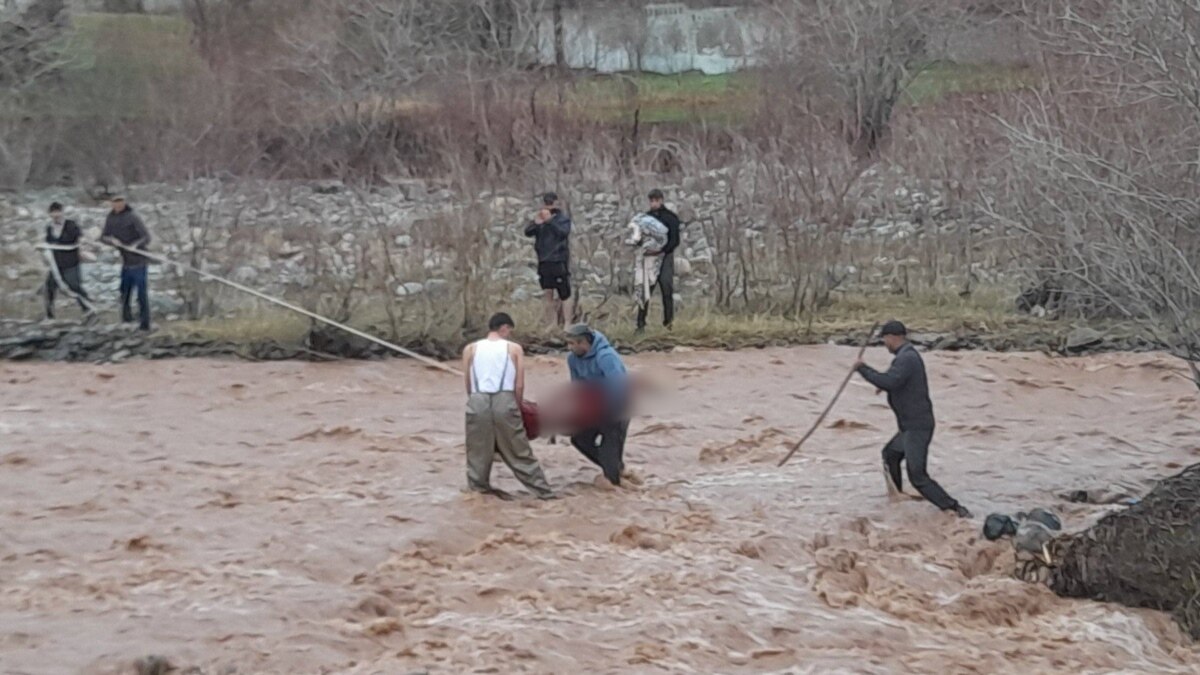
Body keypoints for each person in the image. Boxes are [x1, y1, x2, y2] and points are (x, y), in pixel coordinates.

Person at [853, 320, 972, 518]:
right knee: (890, 454)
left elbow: (890, 381)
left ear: (893, 337)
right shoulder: (905, 357)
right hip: (908, 426)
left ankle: (954, 509)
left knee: (917, 476)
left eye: (885, 340)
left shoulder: (907, 358)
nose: (885, 344)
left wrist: (862, 368)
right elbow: (896, 380)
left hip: (917, 427)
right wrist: (884, 384)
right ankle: (897, 497)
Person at [462, 312, 555, 500]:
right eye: (509, 330)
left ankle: (479, 491)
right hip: (505, 400)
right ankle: (543, 492)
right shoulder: (514, 349)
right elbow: (519, 384)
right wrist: (518, 404)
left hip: (477, 399)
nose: (509, 334)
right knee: (518, 450)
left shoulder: (470, 348)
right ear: (504, 328)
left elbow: (467, 382)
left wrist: (475, 400)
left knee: (478, 450)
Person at [564, 323, 630, 486]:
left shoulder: (606, 356)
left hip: (616, 407)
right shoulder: (572, 359)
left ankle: (615, 484)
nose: (569, 347)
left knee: (610, 453)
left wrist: (608, 408)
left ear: (584, 343)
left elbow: (619, 384)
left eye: (573, 343)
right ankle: (617, 469)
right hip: (594, 406)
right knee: (579, 439)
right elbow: (577, 385)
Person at [100, 196, 152, 331]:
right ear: (111, 203)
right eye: (115, 202)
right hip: (126, 262)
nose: (118, 205)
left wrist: (136, 245)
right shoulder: (110, 218)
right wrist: (111, 241)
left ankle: (145, 323)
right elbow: (103, 237)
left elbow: (147, 237)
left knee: (141, 293)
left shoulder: (132, 217)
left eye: (120, 202)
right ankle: (126, 320)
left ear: (124, 202)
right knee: (124, 292)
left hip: (139, 261)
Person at [524, 192, 573, 328]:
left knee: (564, 292)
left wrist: (550, 221)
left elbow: (563, 233)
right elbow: (527, 232)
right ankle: (551, 323)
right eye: (547, 202)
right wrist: (535, 222)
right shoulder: (540, 220)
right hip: (543, 259)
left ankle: (567, 323)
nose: (549, 205)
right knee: (547, 291)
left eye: (551, 202)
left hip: (558, 259)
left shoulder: (562, 219)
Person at [39, 202, 94, 321]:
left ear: (62, 212)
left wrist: (83, 249)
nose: (56, 215)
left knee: (74, 285)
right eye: (53, 212)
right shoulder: (49, 228)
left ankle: (88, 308)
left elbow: (80, 239)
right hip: (56, 264)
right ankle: (49, 315)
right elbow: (48, 243)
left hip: (71, 263)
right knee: (49, 287)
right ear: (50, 214)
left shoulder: (71, 225)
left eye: (58, 211)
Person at [638, 189, 681, 331]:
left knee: (667, 290)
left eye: (656, 200)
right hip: (649, 258)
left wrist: (662, 250)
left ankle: (668, 324)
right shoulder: (645, 218)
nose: (653, 203)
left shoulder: (671, 218)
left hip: (665, 257)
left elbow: (675, 240)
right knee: (645, 292)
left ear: (661, 200)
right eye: (651, 201)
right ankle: (640, 325)